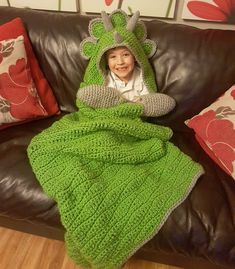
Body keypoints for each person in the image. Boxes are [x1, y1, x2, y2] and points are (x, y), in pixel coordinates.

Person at [77, 9, 176, 117]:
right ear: (105, 60)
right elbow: (89, 100)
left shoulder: (142, 78)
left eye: (125, 55)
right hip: (107, 118)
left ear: (135, 56)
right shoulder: (106, 79)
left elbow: (148, 104)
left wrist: (137, 106)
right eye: (113, 57)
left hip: (133, 120)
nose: (120, 62)